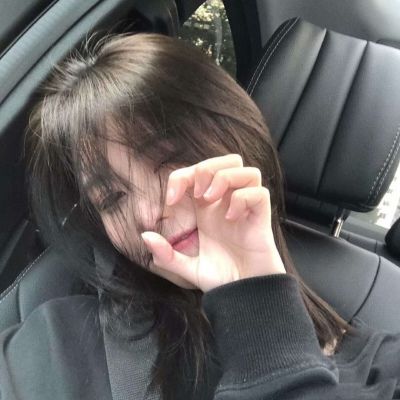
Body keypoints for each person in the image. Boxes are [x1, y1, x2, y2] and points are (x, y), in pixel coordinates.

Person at [1, 32, 400, 400]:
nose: (149, 212)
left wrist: (257, 302)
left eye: (171, 159)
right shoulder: (54, 345)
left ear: (240, 138)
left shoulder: (384, 368)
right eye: (111, 199)